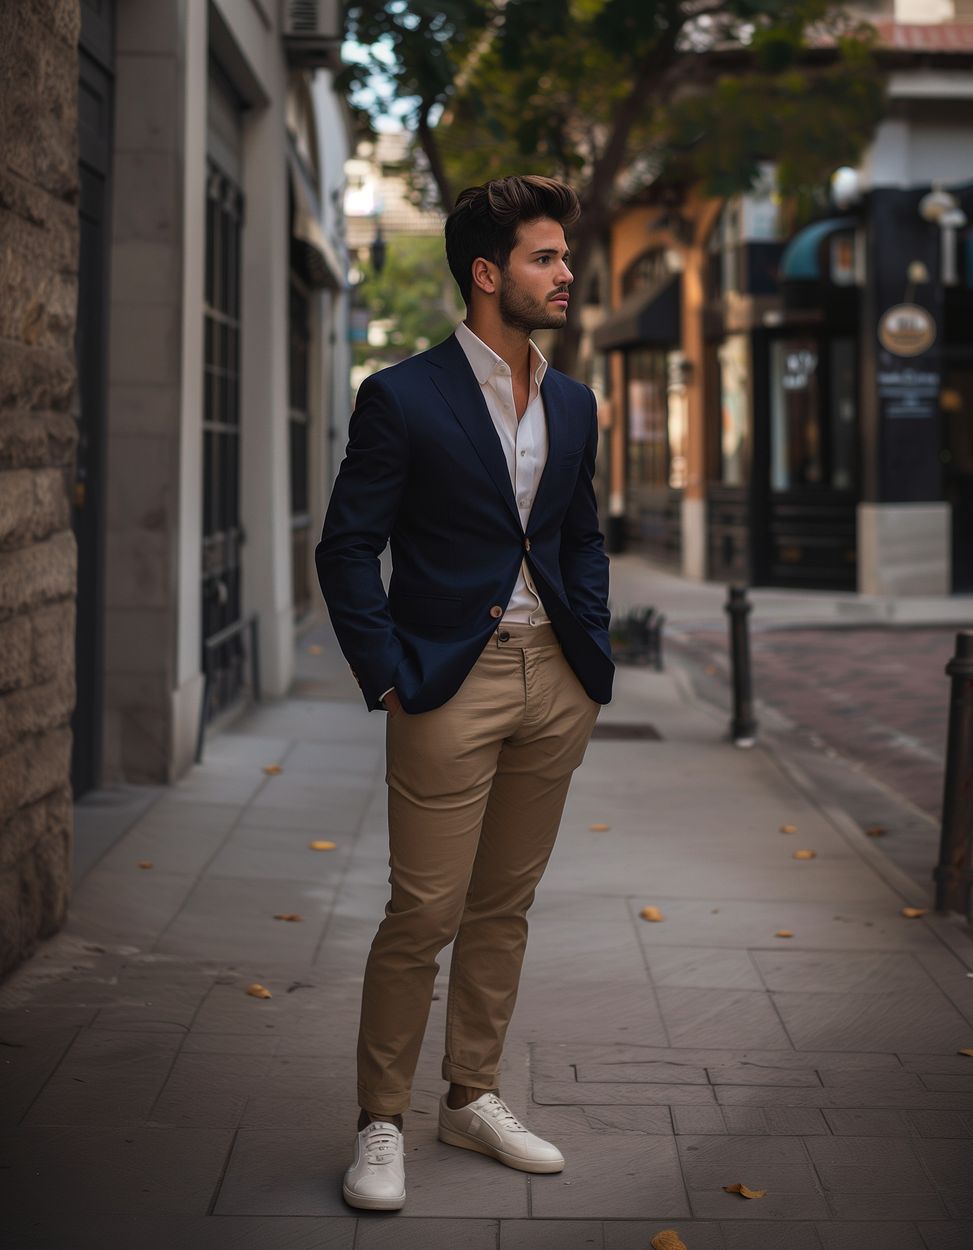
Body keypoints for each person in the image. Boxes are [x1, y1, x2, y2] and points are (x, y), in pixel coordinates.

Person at [314, 174, 614, 1211]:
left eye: (564, 257)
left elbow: (580, 535)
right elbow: (346, 547)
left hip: (555, 685)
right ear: (487, 274)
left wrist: (591, 654)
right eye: (545, 256)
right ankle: (380, 1119)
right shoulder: (401, 395)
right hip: (447, 683)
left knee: (504, 907)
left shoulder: (574, 401)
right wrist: (387, 674)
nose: (566, 272)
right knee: (421, 911)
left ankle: (471, 1094)